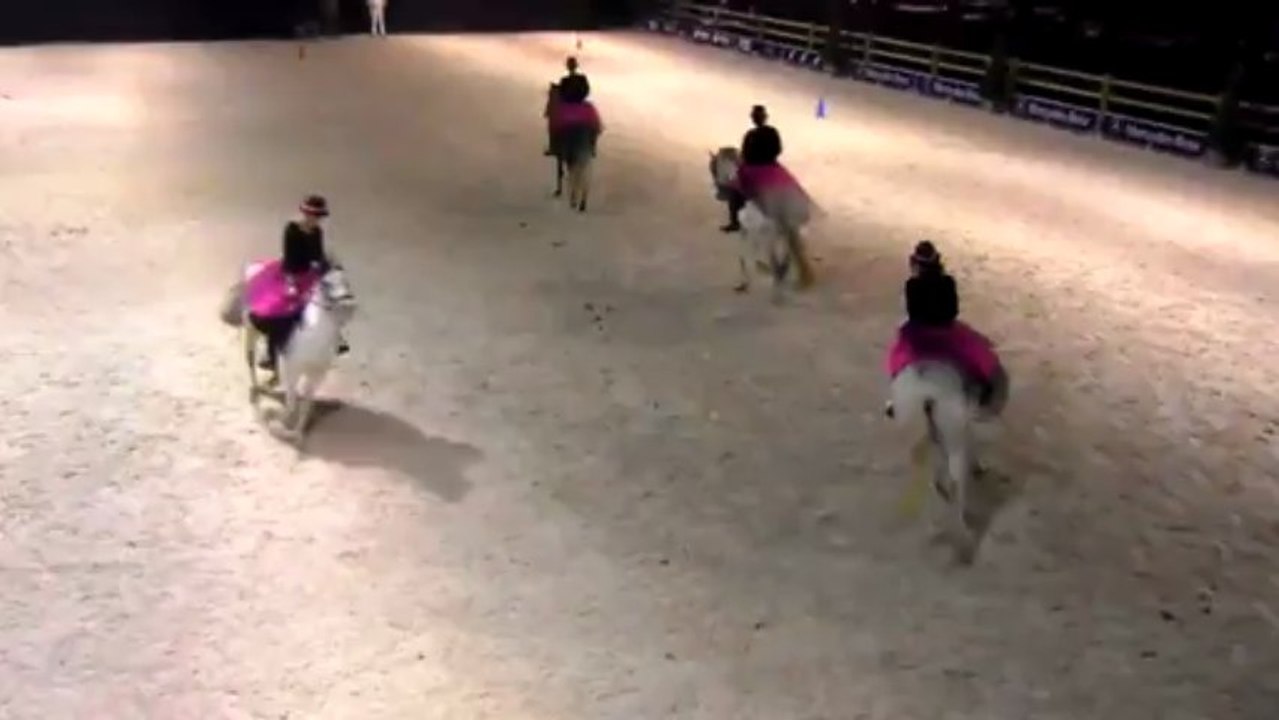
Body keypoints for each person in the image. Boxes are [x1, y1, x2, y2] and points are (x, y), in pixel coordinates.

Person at [886, 241, 1006, 416]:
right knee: (974, 352)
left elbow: (913, 313)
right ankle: (985, 385)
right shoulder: (948, 282)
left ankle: (897, 398)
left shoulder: (912, 285)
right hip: (945, 328)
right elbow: (953, 310)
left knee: (897, 356)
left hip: (919, 332)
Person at [250, 195, 347, 371]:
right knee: (280, 312)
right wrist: (293, 281)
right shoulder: (292, 229)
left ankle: (337, 339)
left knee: (331, 300)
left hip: (309, 274)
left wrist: (325, 267)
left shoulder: (317, 232)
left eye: (318, 217)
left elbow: (317, 255)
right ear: (305, 214)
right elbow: (290, 256)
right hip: (289, 273)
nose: (315, 220)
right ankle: (271, 355)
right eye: (312, 215)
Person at [722, 104, 783, 233]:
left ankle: (734, 222)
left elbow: (745, 155)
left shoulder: (750, 135)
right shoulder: (772, 132)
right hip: (772, 167)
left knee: (734, 191)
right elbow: (778, 150)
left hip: (754, 169)